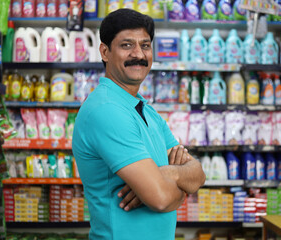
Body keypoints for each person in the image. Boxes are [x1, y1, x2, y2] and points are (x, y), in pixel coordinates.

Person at [72, 8, 206, 240]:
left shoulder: (146, 110)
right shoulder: (106, 110)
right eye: (126, 45)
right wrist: (178, 184)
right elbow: (162, 199)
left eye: (145, 45)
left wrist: (167, 174)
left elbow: (198, 176)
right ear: (105, 52)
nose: (139, 54)